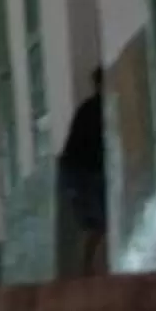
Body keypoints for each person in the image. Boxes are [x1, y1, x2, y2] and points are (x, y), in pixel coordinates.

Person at [59, 71, 108, 276]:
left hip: (80, 171)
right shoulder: (98, 109)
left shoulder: (88, 108)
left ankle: (89, 267)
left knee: (95, 224)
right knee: (98, 223)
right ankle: (89, 268)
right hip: (86, 172)